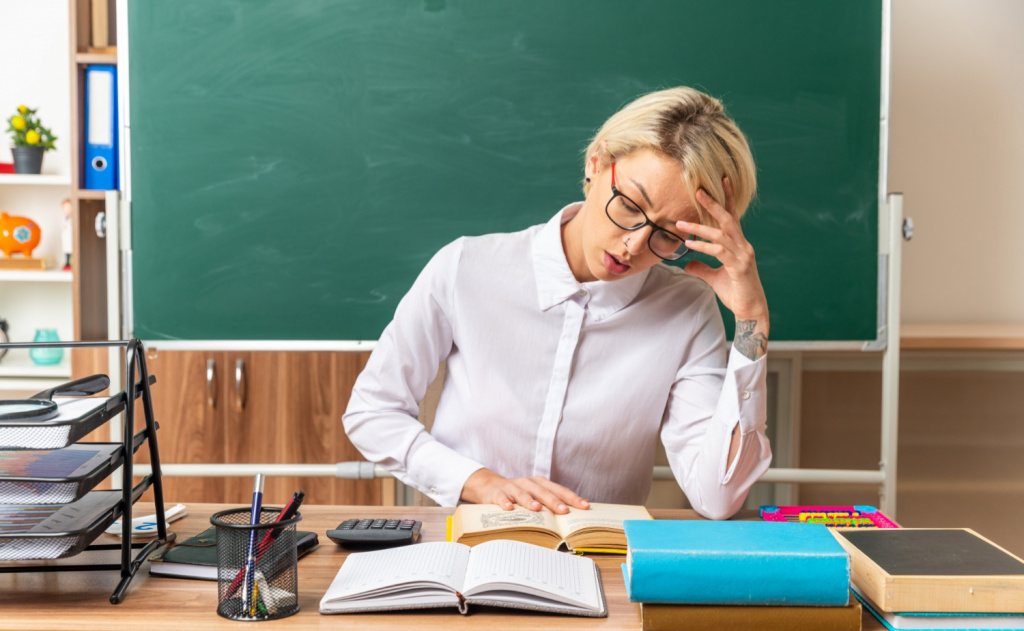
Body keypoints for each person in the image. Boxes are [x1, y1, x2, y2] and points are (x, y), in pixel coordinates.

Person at [343, 87, 771, 520]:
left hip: (601, 563)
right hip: (468, 552)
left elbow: (717, 496)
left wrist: (752, 323)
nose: (634, 243)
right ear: (597, 163)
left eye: (669, 234)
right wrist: (479, 482)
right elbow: (373, 411)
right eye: (629, 205)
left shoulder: (687, 309)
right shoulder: (467, 267)